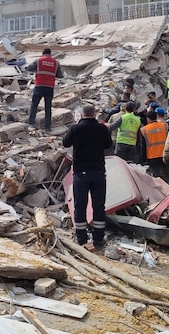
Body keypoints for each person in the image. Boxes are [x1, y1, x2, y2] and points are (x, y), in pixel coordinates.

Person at [62, 104, 112, 248]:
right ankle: (98, 238)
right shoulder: (102, 128)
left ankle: (82, 238)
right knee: (98, 205)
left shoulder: (76, 128)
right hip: (98, 172)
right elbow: (108, 145)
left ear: (82, 114)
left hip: (80, 172)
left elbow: (65, 143)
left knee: (80, 205)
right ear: (95, 114)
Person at [27, 48, 64, 131]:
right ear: (50, 54)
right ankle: (47, 127)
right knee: (48, 107)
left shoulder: (38, 60)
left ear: (43, 53)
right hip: (49, 87)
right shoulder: (56, 62)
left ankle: (31, 123)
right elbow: (60, 75)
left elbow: (29, 68)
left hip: (39, 86)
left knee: (34, 105)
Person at [140, 110, 169, 189]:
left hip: (152, 156)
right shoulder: (165, 125)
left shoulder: (144, 130)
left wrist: (143, 159)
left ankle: (161, 195)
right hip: (166, 155)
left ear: (148, 119)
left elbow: (143, 146)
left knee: (156, 178)